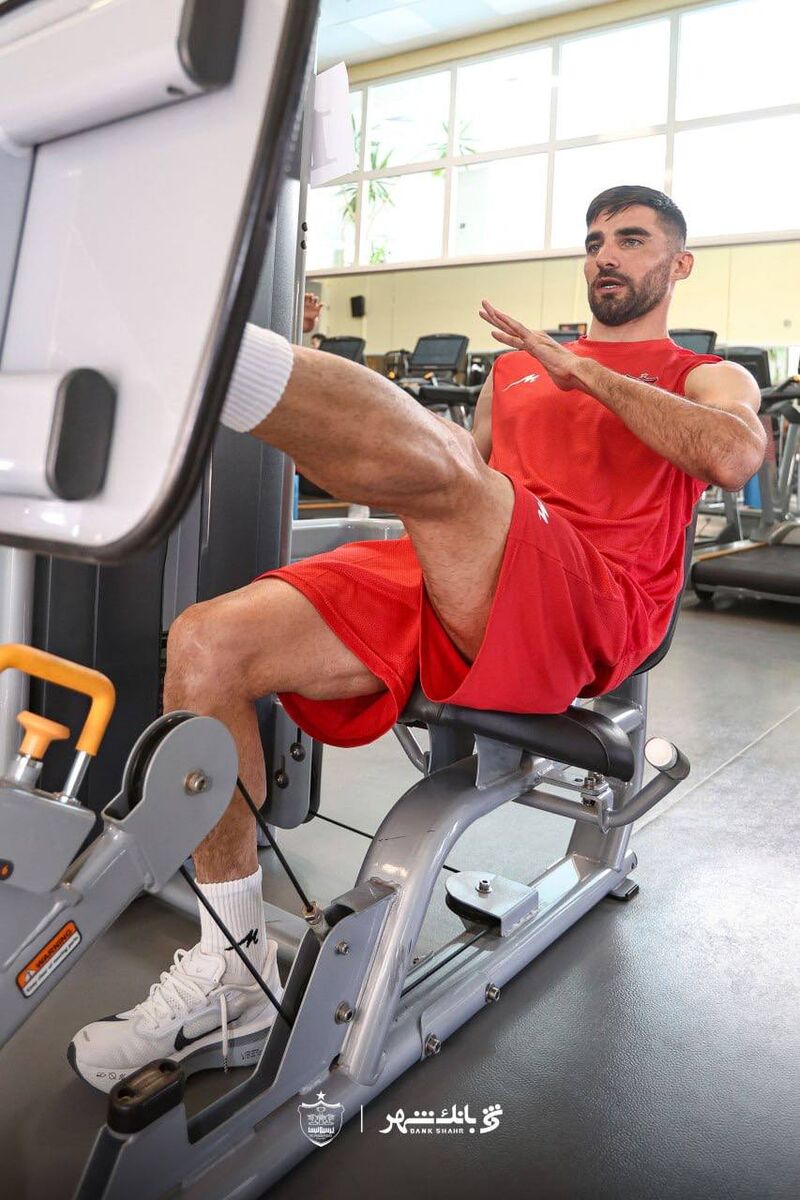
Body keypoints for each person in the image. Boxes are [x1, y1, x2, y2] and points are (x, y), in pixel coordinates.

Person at [69, 185, 765, 1090]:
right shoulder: (514, 373)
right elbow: (460, 487)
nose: (605, 254)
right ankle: (233, 968)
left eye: (631, 240)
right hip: (462, 567)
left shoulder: (703, 375)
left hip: (594, 601)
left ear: (680, 264)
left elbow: (734, 457)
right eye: (595, 239)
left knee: (446, 471)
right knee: (209, 643)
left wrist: (584, 371)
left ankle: (209, 354)